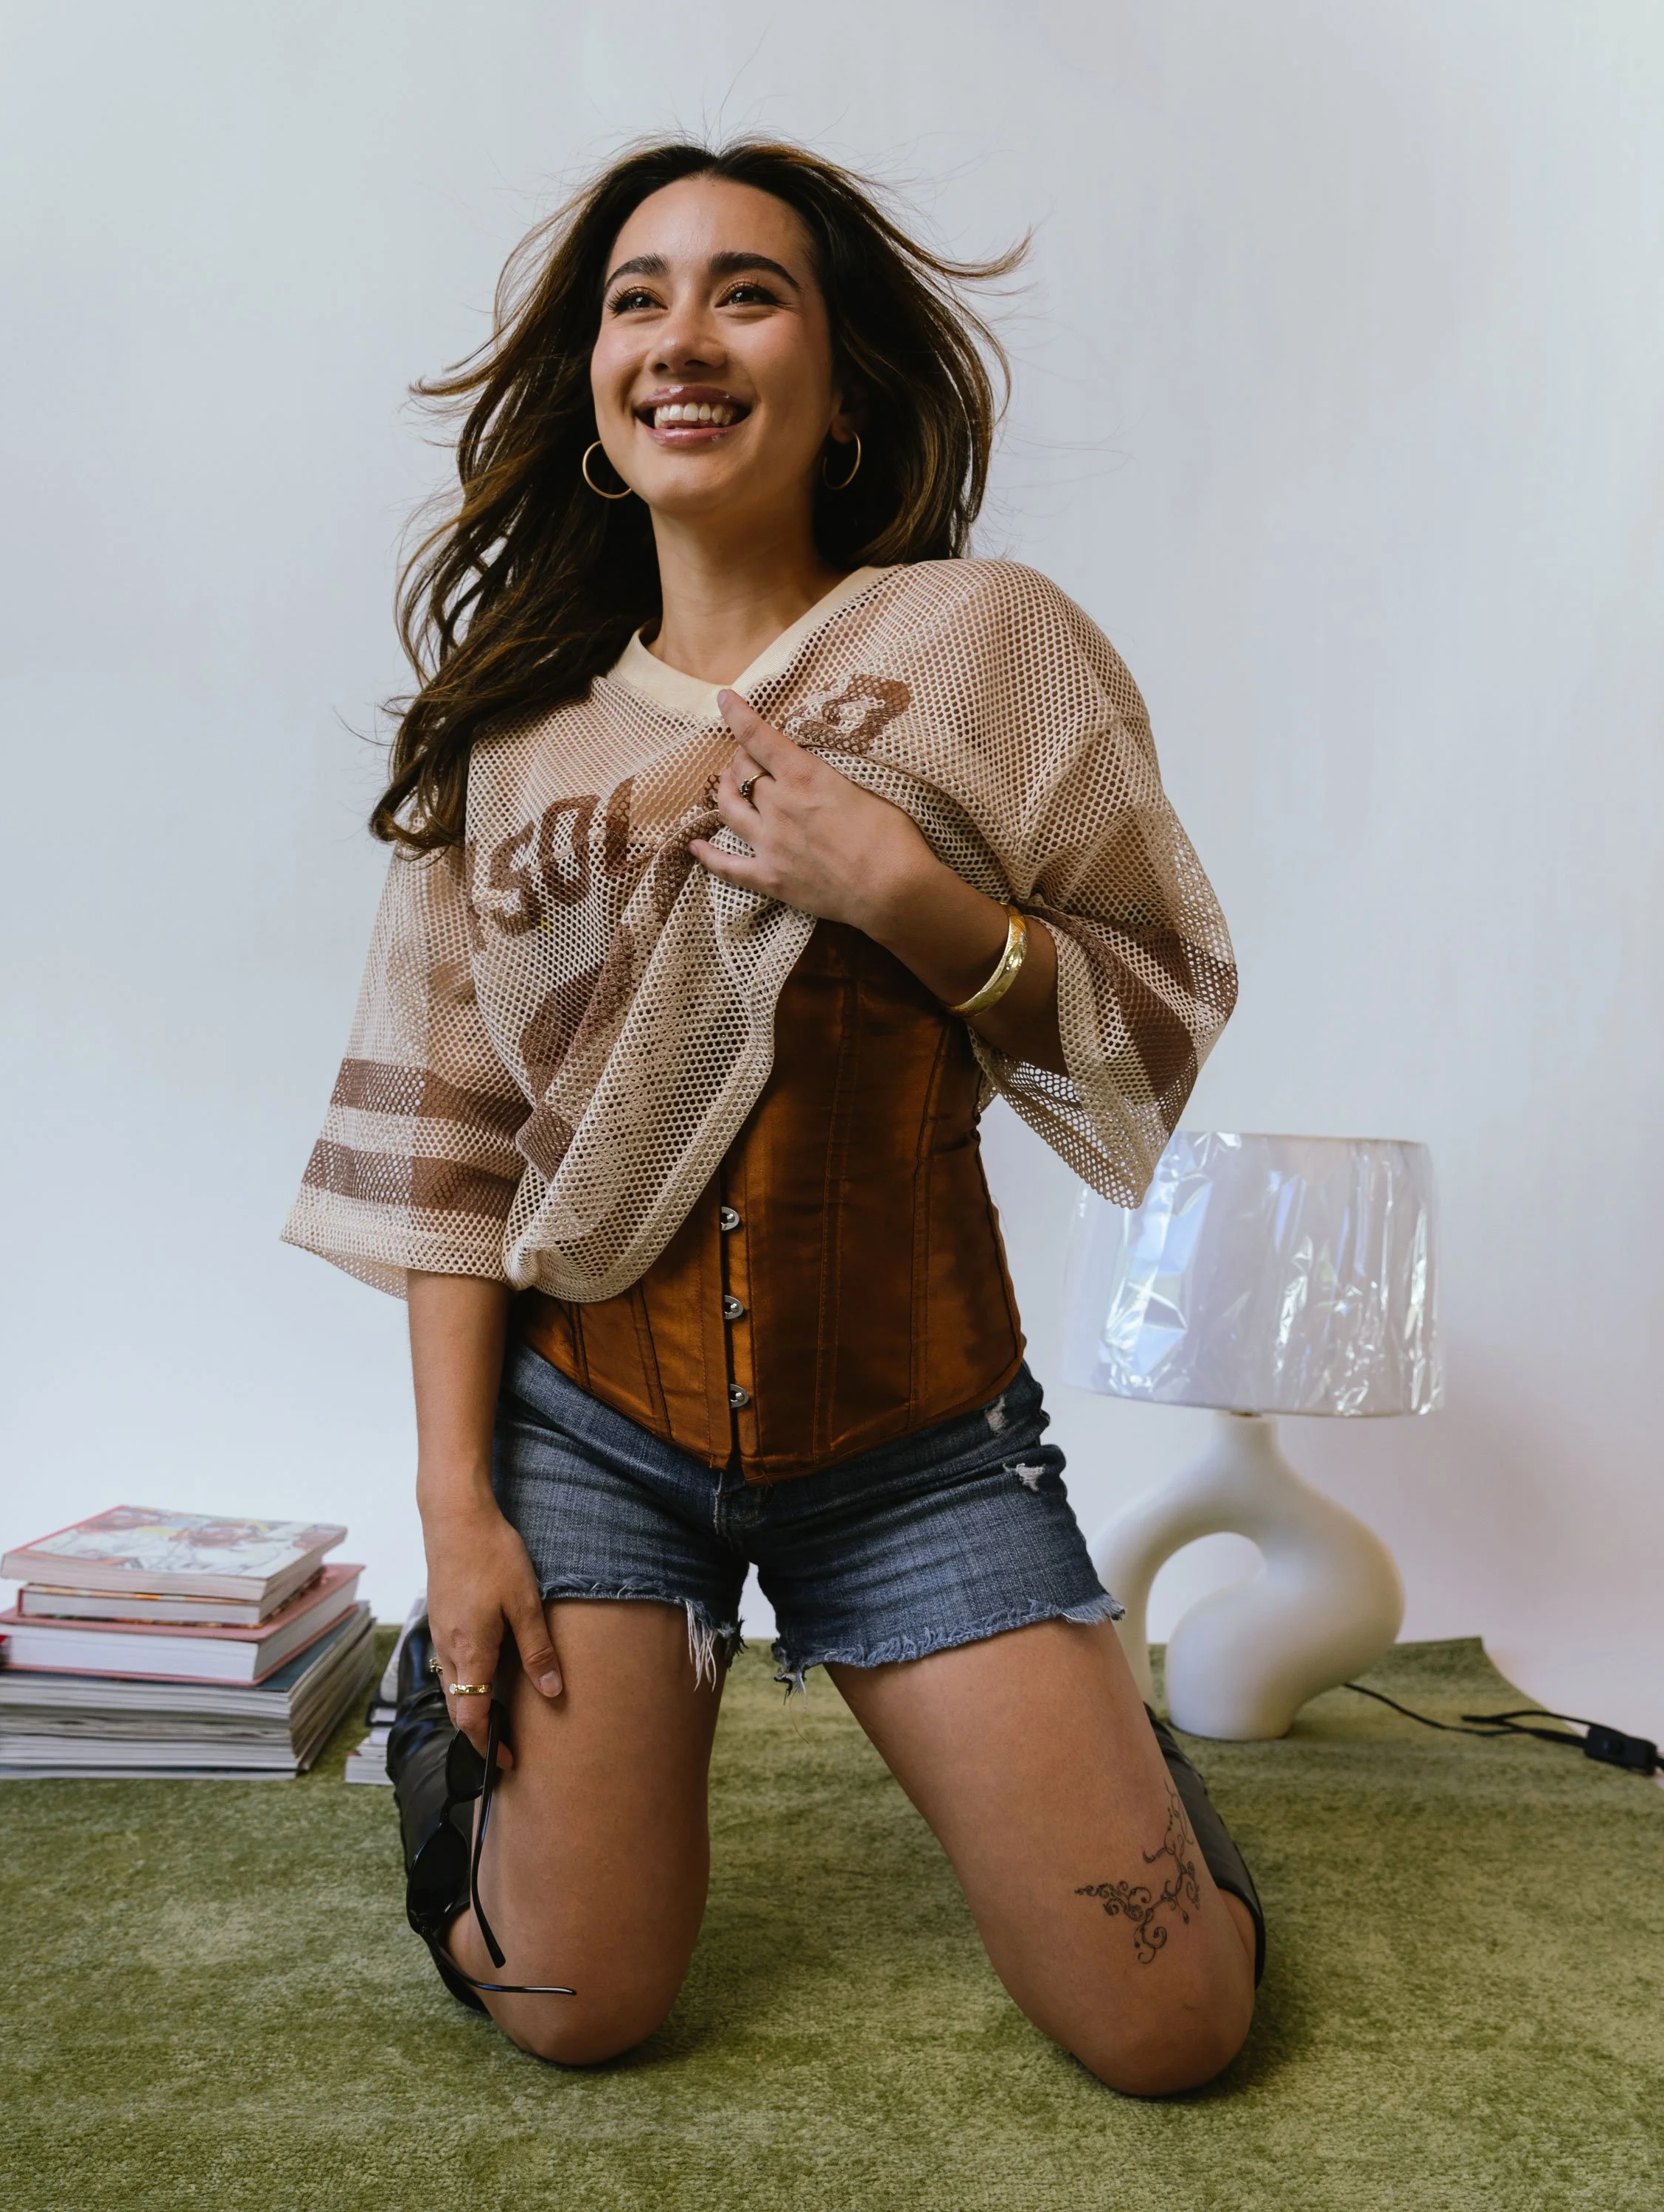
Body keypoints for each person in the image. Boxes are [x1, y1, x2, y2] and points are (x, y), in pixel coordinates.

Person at [284, 136, 1260, 2095]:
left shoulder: (987, 649)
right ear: (594, 390)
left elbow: (1157, 994)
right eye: (637, 298)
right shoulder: (517, 760)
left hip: (919, 1447)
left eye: (749, 291)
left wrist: (902, 889)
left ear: (835, 382)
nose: (681, 336)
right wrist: (458, 1510)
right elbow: (459, 1161)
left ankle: (1096, 1751)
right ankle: (487, 1735)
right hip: (592, 1446)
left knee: (1171, 2028)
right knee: (580, 2008)